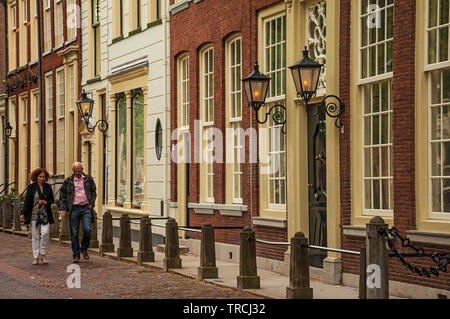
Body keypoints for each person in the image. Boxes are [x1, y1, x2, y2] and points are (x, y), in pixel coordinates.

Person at [58, 162, 97, 263]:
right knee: (74, 233)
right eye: (75, 171)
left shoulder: (88, 179)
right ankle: (76, 254)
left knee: (87, 230)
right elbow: (62, 196)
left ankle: (84, 248)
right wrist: (62, 208)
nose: (78, 173)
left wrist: (91, 203)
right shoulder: (68, 181)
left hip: (86, 208)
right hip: (74, 209)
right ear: (73, 171)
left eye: (79, 171)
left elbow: (93, 191)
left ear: (82, 169)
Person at [20, 168, 55, 265]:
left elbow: (52, 199)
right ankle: (35, 256)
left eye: (43, 177)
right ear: (36, 177)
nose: (42, 178)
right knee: (35, 236)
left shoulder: (48, 187)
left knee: (45, 234)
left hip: (45, 215)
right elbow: (27, 201)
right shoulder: (31, 187)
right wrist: (23, 213)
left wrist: (46, 202)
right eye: (40, 177)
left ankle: (43, 254)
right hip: (34, 214)